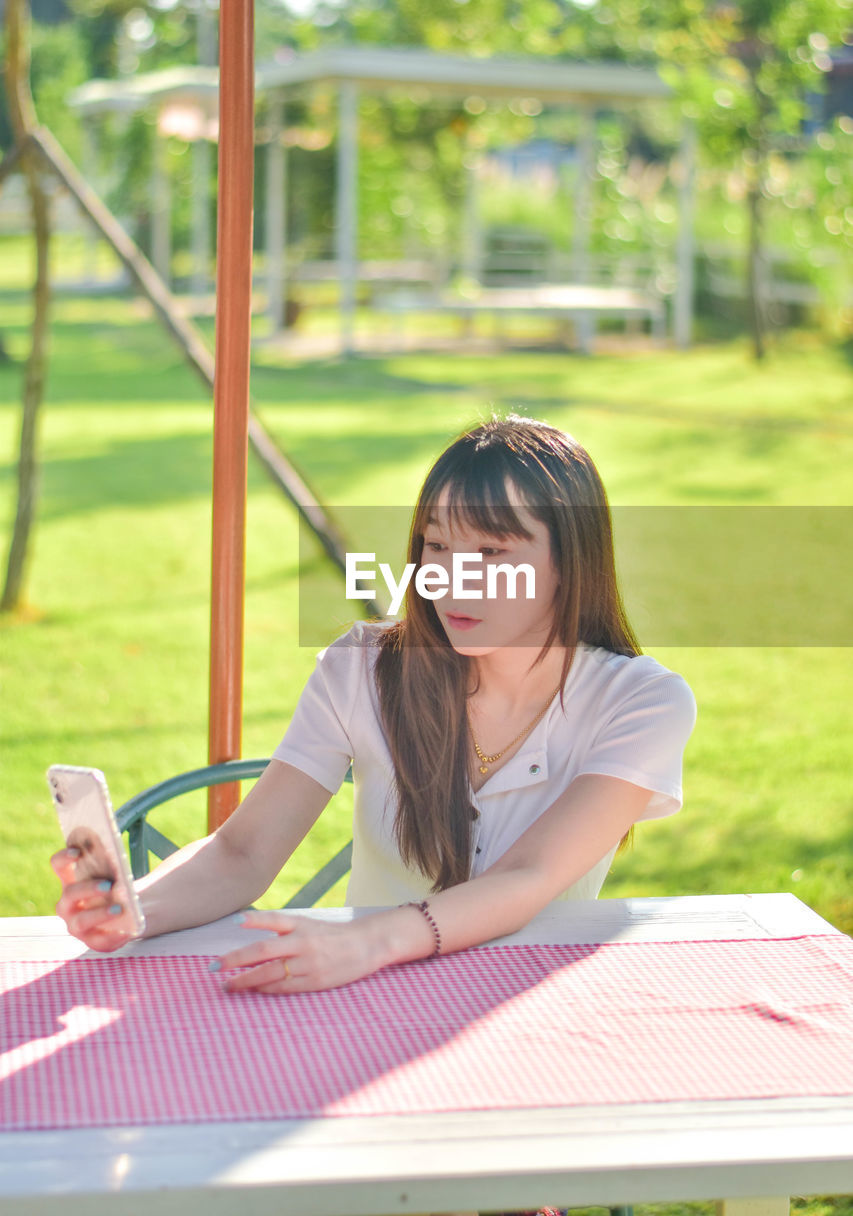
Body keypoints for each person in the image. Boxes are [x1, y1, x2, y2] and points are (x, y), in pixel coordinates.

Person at [52, 414, 696, 995]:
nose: (452, 578)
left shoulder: (642, 703)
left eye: (492, 552)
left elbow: (526, 876)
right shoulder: (361, 668)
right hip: (363, 994)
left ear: (570, 560)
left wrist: (368, 942)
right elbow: (242, 853)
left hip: (526, 1006)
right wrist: (136, 911)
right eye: (437, 547)